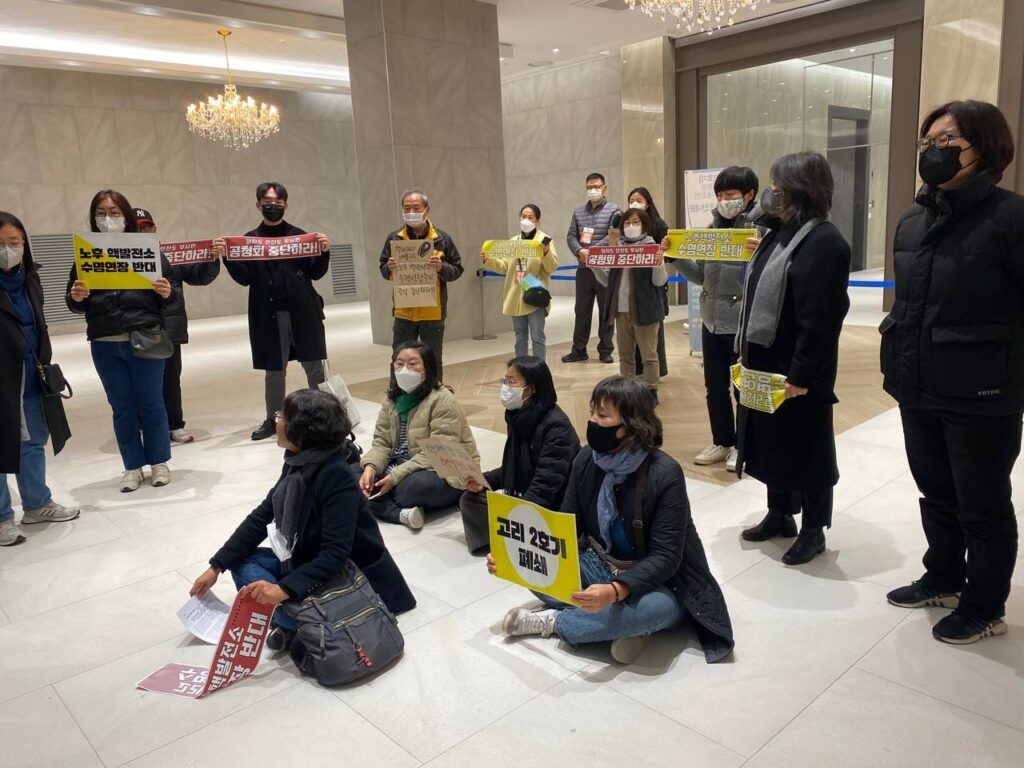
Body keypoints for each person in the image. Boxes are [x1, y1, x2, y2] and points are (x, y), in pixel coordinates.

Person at [881, 100, 1024, 645]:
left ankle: (984, 606)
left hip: (982, 392)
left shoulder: (1011, 218)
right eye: (928, 142)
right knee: (936, 494)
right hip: (918, 384)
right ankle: (943, 576)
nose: (934, 151)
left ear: (984, 148)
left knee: (982, 507)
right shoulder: (913, 219)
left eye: (947, 141)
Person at [494, 376, 734, 665]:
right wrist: (515, 557)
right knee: (536, 575)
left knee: (654, 609)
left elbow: (666, 557)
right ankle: (620, 626)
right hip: (599, 562)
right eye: (592, 411)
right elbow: (567, 526)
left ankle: (556, 622)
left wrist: (616, 591)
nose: (592, 420)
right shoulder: (586, 459)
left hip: (659, 582)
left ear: (632, 425)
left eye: (603, 415)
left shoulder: (664, 473)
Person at [189, 389, 415, 652]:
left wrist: (283, 590)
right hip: (308, 561)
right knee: (240, 562)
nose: (277, 420)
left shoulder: (337, 476)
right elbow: (262, 515)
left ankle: (300, 624)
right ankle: (296, 620)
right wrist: (216, 566)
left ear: (302, 430)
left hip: (349, 579)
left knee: (265, 591)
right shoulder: (297, 462)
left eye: (282, 416)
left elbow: (335, 556)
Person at [734, 152, 851, 565]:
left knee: (808, 449)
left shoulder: (824, 242)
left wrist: (801, 374)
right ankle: (780, 513)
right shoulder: (777, 234)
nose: (771, 193)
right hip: (765, 364)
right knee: (772, 444)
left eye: (778, 186)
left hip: (799, 371)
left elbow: (821, 319)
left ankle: (814, 529)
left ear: (801, 190)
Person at [66, 190, 176, 492]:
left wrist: (166, 292)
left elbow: (172, 295)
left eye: (114, 212)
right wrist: (76, 297)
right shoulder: (86, 253)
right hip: (105, 341)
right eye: (101, 212)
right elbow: (74, 301)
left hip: (145, 336)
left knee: (152, 403)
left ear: (126, 215)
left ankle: (159, 462)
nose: (108, 218)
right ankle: (132, 466)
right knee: (122, 407)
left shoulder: (147, 250)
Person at [216, 182, 331, 441]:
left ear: (286, 205)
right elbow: (244, 278)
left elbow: (315, 272)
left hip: (303, 312)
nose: (273, 206)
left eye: (278, 202)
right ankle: (274, 418)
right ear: (258, 205)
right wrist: (228, 257)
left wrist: (324, 252)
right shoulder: (250, 241)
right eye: (267, 202)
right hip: (269, 314)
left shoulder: (299, 236)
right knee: (274, 369)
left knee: (314, 364)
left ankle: (324, 414)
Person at [669, 166, 761, 472]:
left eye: (730, 194)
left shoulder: (761, 231)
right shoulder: (711, 230)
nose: (724, 200)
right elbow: (700, 275)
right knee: (715, 388)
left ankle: (744, 446)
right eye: (720, 195)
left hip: (741, 325)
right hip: (711, 322)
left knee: (743, 388)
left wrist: (760, 253)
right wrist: (675, 257)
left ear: (749, 195)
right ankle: (723, 441)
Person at [1, 211, 78, 546]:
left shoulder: (30, 278)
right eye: (0, 243)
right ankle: (2, 518)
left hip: (32, 372)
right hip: (2, 377)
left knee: (33, 440)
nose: (7, 250)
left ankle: (36, 504)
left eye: (14, 242)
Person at [459, 356, 580, 554]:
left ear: (532, 388)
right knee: (470, 498)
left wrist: (518, 513)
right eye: (504, 381)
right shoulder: (518, 416)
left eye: (511, 382)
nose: (505, 387)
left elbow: (545, 487)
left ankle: (515, 543)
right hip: (527, 494)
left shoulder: (556, 427)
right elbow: (513, 468)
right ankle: (497, 544)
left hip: (552, 505)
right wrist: (483, 480)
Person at [359, 342, 479, 530]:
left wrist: (394, 476)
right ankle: (400, 513)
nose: (404, 370)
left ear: (427, 367)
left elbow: (438, 452)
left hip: (442, 470)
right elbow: (382, 442)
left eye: (413, 364)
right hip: (400, 465)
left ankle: (378, 502)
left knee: (413, 488)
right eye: (399, 364)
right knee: (349, 475)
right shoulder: (391, 399)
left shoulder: (442, 399)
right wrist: (370, 467)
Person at [134, 208, 220, 445]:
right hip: (138, 327)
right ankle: (146, 425)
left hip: (168, 328)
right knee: (142, 381)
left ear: (155, 228)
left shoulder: (172, 256)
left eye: (147, 226)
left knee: (171, 379)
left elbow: (199, 276)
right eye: (138, 227)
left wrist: (211, 259)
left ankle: (175, 425)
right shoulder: (121, 261)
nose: (143, 231)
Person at [379, 188, 464, 380]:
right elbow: (383, 269)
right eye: (406, 208)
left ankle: (435, 393)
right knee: (399, 358)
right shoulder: (394, 239)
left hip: (433, 312)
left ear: (426, 210)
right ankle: (397, 393)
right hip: (404, 311)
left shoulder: (442, 239)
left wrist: (441, 267)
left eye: (416, 207)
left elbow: (457, 270)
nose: (411, 212)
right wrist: (389, 268)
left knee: (433, 359)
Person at [593, 208, 668, 393]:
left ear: (644, 225)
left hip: (646, 310)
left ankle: (650, 392)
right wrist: (594, 265)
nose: (631, 226)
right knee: (625, 356)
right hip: (620, 311)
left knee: (649, 356)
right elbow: (607, 282)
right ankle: (627, 393)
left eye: (635, 222)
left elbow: (659, 281)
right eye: (627, 223)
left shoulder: (651, 247)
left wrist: (658, 262)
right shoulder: (617, 249)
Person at [481, 204, 559, 362]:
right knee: (520, 335)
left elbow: (551, 267)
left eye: (530, 217)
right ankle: (521, 368)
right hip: (515, 296)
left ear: (537, 220)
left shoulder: (544, 240)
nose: (526, 220)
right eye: (523, 216)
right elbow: (505, 266)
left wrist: (545, 253)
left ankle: (539, 368)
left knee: (537, 336)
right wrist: (489, 260)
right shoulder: (514, 241)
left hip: (534, 295)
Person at [563, 172, 619, 364]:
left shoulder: (614, 210)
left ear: (604, 187)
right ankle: (579, 350)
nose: (593, 190)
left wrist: (592, 251)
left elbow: (614, 235)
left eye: (596, 186)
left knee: (606, 310)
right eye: (589, 187)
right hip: (584, 268)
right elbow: (571, 236)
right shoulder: (578, 212)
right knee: (581, 311)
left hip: (605, 269)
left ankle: (605, 349)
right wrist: (580, 251)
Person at [625, 187, 670, 385]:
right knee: (629, 346)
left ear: (648, 203)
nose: (634, 203)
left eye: (639, 200)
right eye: (631, 200)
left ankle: (653, 380)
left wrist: (659, 256)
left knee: (651, 341)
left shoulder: (658, 226)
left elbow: (668, 256)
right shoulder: (623, 237)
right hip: (629, 295)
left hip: (651, 289)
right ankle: (634, 379)